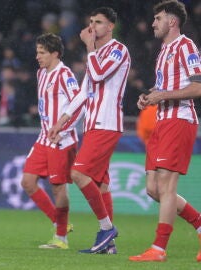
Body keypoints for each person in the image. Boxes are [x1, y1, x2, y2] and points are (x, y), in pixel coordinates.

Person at [48, 7, 131, 254]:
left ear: (111, 27)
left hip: (107, 124)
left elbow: (97, 73)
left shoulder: (118, 50)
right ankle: (109, 245)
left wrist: (89, 46)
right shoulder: (97, 53)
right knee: (101, 185)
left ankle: (107, 228)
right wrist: (63, 120)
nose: (93, 27)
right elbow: (85, 92)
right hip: (93, 124)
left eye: (99, 22)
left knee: (78, 175)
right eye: (91, 22)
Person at [129, 0, 201, 262]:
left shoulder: (186, 46)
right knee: (152, 189)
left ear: (172, 21)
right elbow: (163, 87)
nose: (153, 23)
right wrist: (148, 97)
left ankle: (158, 249)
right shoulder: (163, 51)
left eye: (158, 18)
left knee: (167, 186)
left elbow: (198, 87)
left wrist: (163, 96)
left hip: (179, 119)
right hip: (161, 122)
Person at [21, 33, 80, 250]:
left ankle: (61, 238)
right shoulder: (41, 73)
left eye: (42, 52)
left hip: (61, 140)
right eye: (37, 52)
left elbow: (79, 105)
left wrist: (63, 129)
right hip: (44, 136)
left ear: (55, 53)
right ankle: (60, 223)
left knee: (58, 188)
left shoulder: (65, 75)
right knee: (28, 181)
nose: (38, 56)